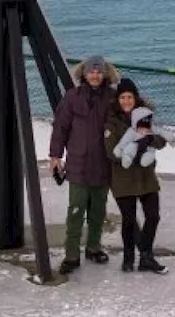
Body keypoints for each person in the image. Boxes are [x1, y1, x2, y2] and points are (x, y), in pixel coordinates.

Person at [49, 54, 119, 275]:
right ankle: (71, 255)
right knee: (76, 210)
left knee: (98, 211)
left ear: (104, 73)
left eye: (99, 71)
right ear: (84, 74)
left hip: (104, 164)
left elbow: (127, 122)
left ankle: (93, 247)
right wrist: (55, 156)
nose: (95, 75)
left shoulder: (113, 98)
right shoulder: (72, 97)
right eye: (91, 71)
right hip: (78, 164)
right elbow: (60, 127)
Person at [105, 77, 175, 274]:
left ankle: (146, 257)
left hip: (146, 176)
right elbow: (111, 151)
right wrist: (134, 152)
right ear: (118, 100)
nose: (126, 101)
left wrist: (150, 140)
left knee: (153, 216)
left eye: (130, 97)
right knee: (129, 220)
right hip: (123, 177)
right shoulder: (111, 122)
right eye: (123, 97)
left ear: (135, 99)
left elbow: (160, 141)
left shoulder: (145, 116)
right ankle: (129, 258)